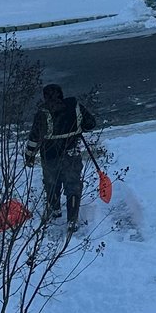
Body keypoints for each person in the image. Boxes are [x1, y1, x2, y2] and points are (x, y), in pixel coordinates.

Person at [26, 83, 98, 232]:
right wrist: (79, 128)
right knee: (73, 185)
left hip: (49, 155)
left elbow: (34, 138)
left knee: (51, 183)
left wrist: (29, 156)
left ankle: (55, 209)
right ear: (61, 94)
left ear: (45, 97)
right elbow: (91, 124)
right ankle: (72, 220)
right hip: (71, 153)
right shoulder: (75, 107)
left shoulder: (42, 113)